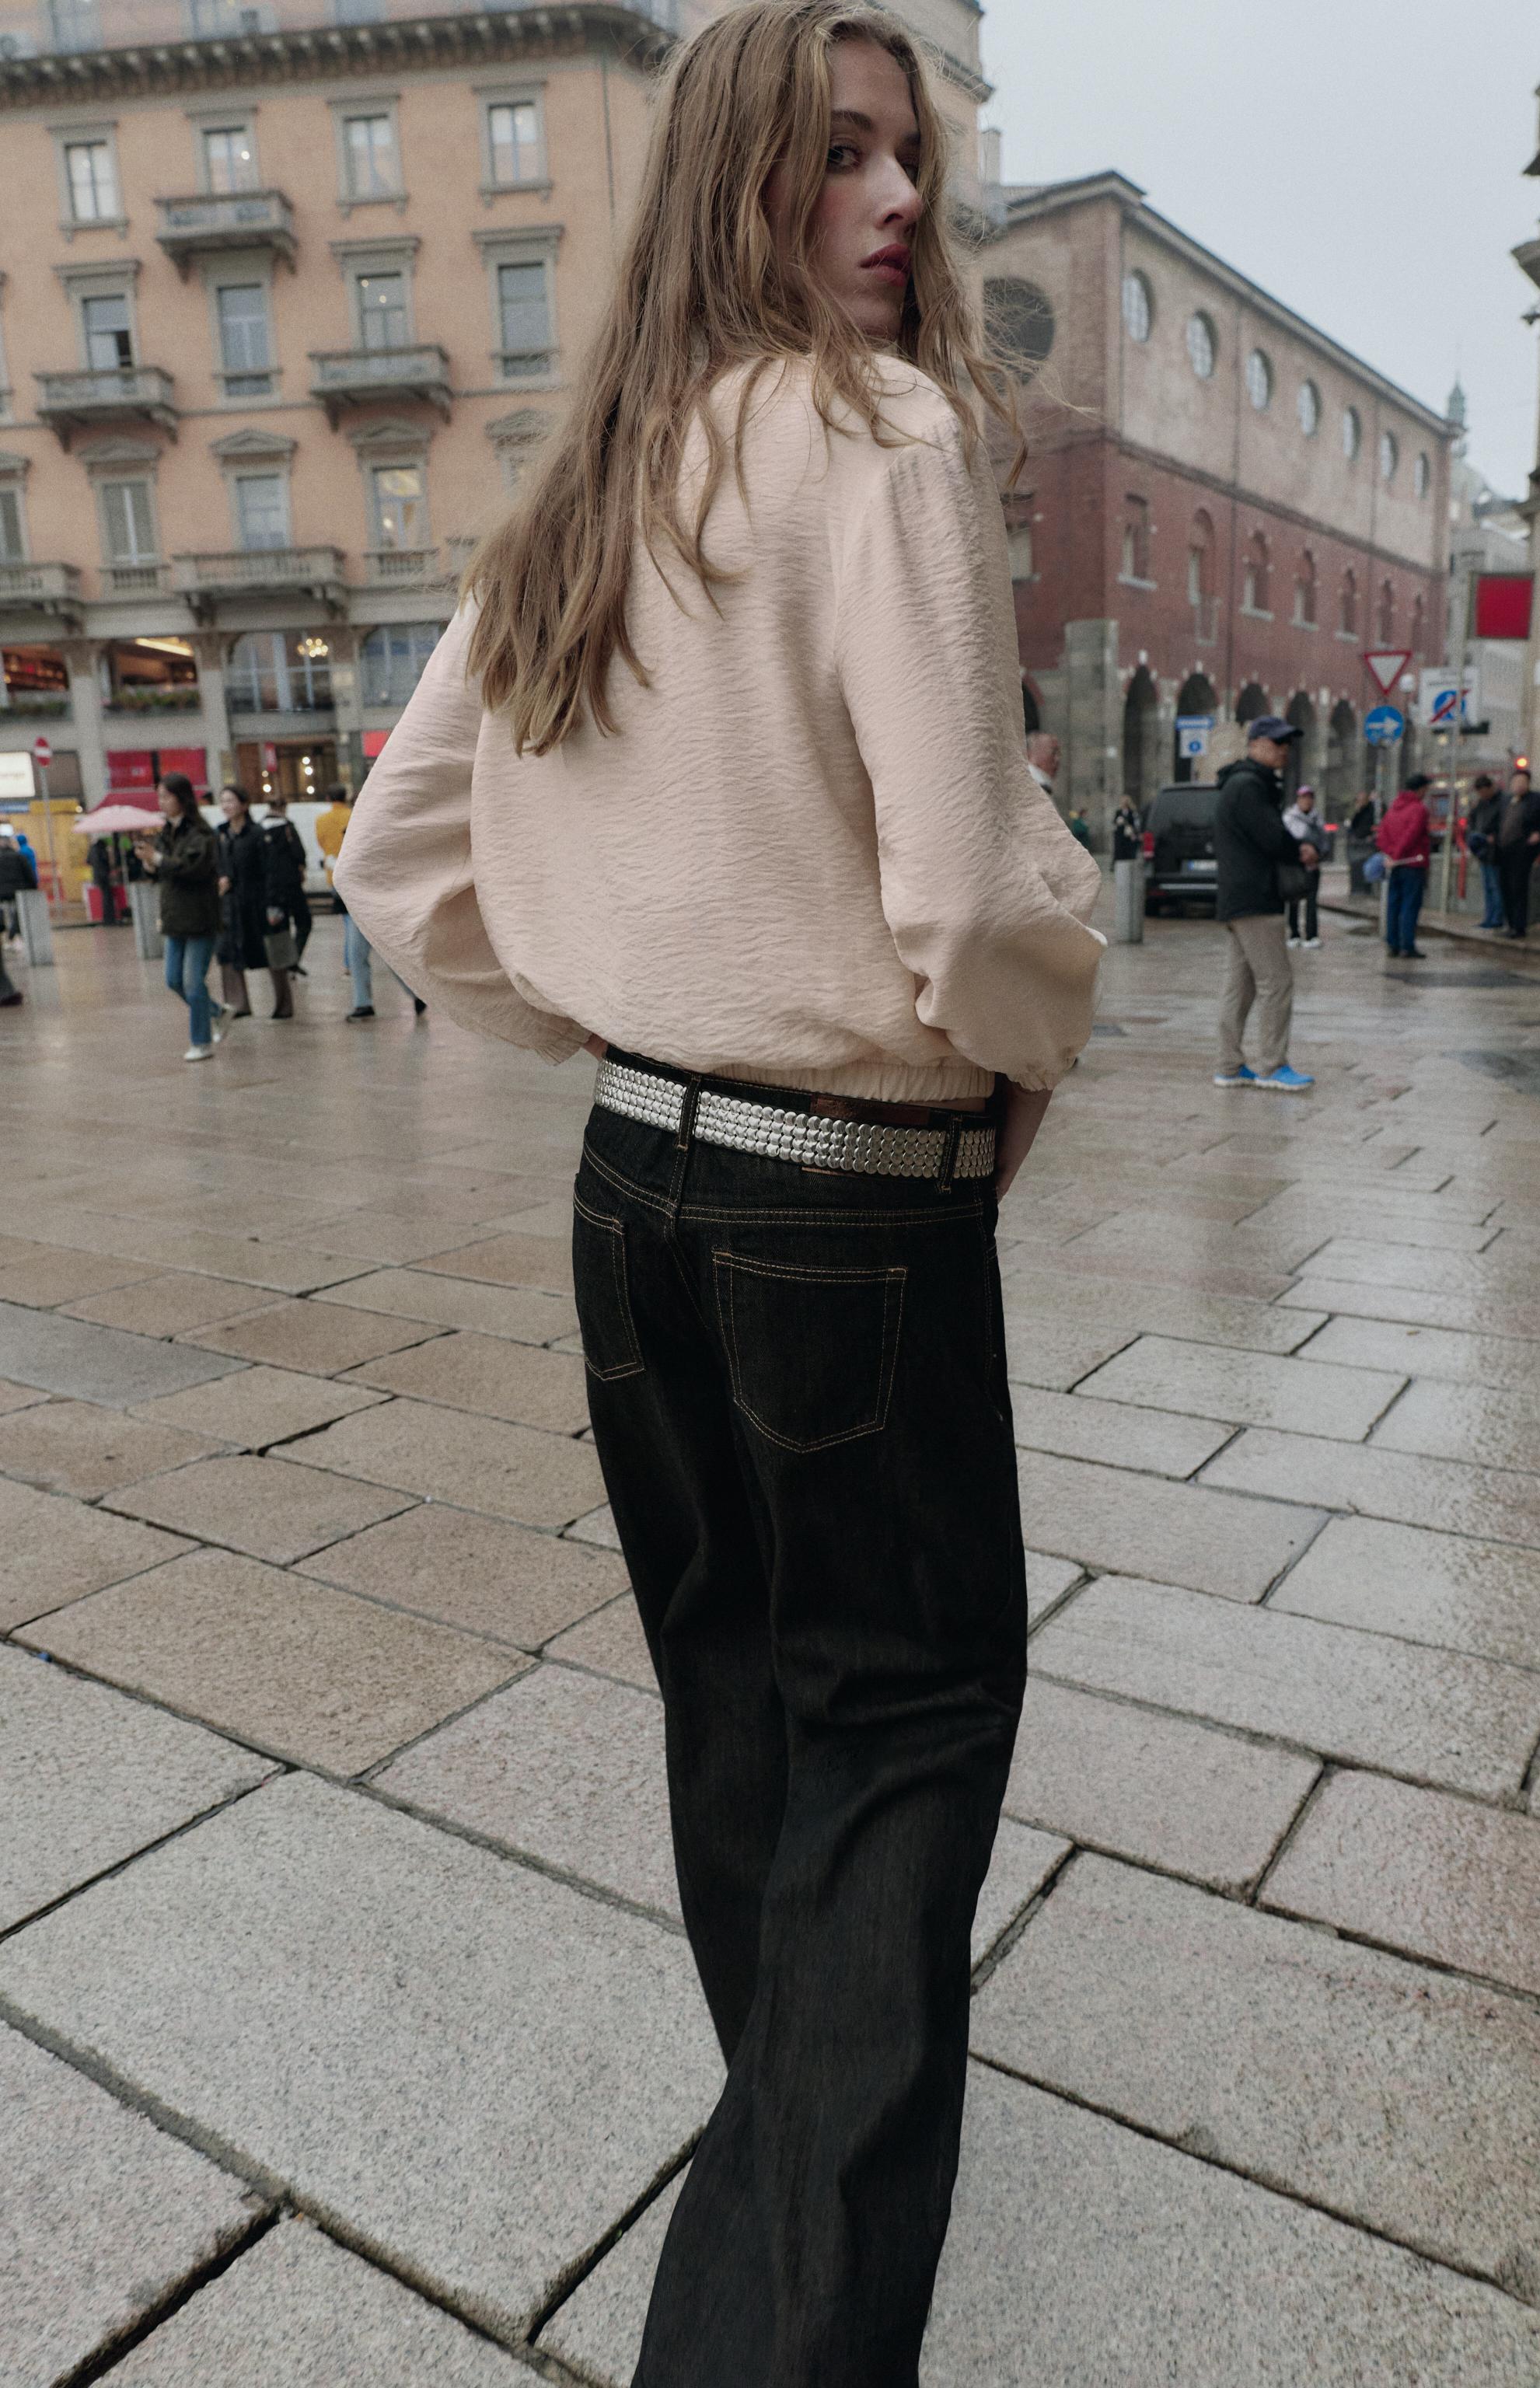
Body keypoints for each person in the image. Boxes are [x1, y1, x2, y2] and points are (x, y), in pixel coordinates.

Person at [334, 8, 1105, 2379]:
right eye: (836, 156)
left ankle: (767, 2213)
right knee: (895, 1735)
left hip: (631, 1205)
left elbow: (398, 861)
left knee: (743, 1715)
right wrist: (1024, 1037)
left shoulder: (597, 472)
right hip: (841, 1207)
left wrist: (620, 1005)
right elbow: (971, 888)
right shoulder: (878, 442)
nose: (893, 205)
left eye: (912, 161)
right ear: (738, 181)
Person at [1212, 715, 1316, 1092]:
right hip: (1256, 897)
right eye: (1276, 743)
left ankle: (1229, 1065)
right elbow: (1272, 838)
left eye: (1287, 744)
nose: (1283, 750)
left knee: (1240, 986)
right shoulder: (1250, 787)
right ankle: (1273, 1066)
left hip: (1239, 897)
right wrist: (1300, 849)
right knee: (1277, 982)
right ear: (1254, 744)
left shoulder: (1239, 784)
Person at [133, 773, 231, 1060]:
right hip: (175, 915)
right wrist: (150, 864)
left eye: (166, 796)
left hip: (200, 917)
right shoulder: (166, 832)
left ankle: (201, 1042)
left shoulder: (201, 833)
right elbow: (165, 871)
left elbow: (192, 869)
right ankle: (218, 1013)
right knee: (173, 980)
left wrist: (159, 859)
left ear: (182, 798)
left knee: (192, 981)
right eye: (159, 796)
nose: (161, 802)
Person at [327, 785, 425, 1023]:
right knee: (358, 954)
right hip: (359, 902)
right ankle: (364, 1004)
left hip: (378, 902)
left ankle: (416, 993)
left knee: (384, 955)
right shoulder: (356, 827)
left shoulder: (385, 828)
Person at [215, 784, 278, 1016]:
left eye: (231, 801)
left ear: (244, 805)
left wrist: (272, 903)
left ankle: (283, 1004)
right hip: (230, 904)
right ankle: (238, 1004)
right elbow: (218, 865)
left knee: (269, 953)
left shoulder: (257, 834)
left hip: (255, 902)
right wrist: (221, 879)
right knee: (227, 952)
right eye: (223, 801)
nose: (226, 806)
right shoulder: (221, 834)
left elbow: (269, 870)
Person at [1375, 774, 1432, 958]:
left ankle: (1393, 944)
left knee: (1394, 904)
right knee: (1410, 905)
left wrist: (1391, 854)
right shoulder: (1419, 810)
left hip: (1395, 865)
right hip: (1413, 863)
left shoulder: (1393, 809)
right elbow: (1412, 835)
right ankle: (1407, 946)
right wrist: (1398, 854)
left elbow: (1382, 835)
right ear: (1421, 789)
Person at [1496, 766, 1540, 941]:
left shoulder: (1539, 799)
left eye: (1522, 782)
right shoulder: (1506, 800)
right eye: (1516, 782)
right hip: (1503, 851)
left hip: (1522, 851)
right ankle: (1510, 923)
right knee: (1505, 887)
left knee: (1518, 887)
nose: (1518, 785)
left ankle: (1519, 926)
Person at [261, 788, 312, 971]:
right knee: (304, 921)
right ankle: (293, 959)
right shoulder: (288, 826)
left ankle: (280, 964)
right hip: (291, 884)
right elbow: (299, 853)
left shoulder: (260, 829)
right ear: (284, 807)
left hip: (270, 887)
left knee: (279, 926)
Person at [1281, 783, 1322, 948]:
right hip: (1295, 866)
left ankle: (1312, 935)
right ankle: (1294, 933)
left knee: (1312, 901)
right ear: (1298, 799)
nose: (1307, 801)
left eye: (1310, 798)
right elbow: (1284, 842)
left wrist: (1317, 854)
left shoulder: (1317, 818)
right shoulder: (1289, 818)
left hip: (1313, 865)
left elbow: (1324, 841)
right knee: (1294, 900)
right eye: (1304, 797)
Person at [0, 825, 36, 1006]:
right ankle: (13, 936)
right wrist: (33, 888)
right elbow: (30, 873)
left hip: (2, 895)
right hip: (18, 893)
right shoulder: (20, 855)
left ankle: (11, 936)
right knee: (17, 915)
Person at [1466, 772, 1504, 930]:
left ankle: (1497, 918)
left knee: (1496, 886)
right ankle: (1488, 917)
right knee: (1487, 886)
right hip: (1483, 851)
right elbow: (1472, 823)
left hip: (1496, 852)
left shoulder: (1501, 803)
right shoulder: (1480, 805)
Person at [1025, 730, 1059, 802]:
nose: (1057, 759)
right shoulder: (1035, 785)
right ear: (1031, 753)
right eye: (1053, 752)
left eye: (1058, 754)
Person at [1112, 794, 1142, 861]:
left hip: (1129, 834)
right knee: (1120, 851)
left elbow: (1135, 823)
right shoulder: (1119, 812)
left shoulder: (1132, 812)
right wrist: (1118, 821)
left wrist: (1134, 833)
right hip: (1121, 834)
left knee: (1129, 852)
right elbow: (1114, 821)